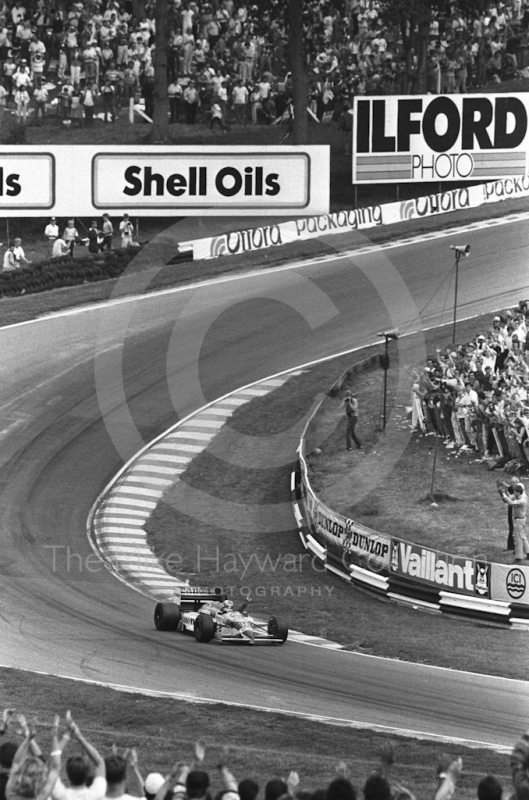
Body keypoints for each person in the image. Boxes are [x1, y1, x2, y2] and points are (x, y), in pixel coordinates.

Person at [51, 713, 106, 800]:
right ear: (88, 774)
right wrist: (79, 737)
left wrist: (60, 736)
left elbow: (53, 766)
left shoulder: (61, 795)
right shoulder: (96, 794)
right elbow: (100, 763)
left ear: (68, 774)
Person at [500, 482, 529, 563]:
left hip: (519, 520)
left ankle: (518, 557)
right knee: (522, 536)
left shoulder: (522, 500)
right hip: (519, 519)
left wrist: (503, 494)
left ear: (519, 492)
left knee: (518, 539)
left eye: (515, 491)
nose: (514, 492)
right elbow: (510, 497)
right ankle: (528, 552)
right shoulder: (518, 495)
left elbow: (511, 503)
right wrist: (505, 491)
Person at [497, 476, 517, 551]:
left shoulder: (518, 492)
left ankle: (515, 547)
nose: (512, 484)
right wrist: (503, 484)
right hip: (511, 509)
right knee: (511, 527)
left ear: (517, 483)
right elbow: (509, 488)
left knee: (513, 529)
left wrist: (502, 493)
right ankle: (511, 546)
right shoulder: (514, 488)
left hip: (515, 511)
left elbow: (508, 499)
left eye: (513, 482)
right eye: (511, 482)